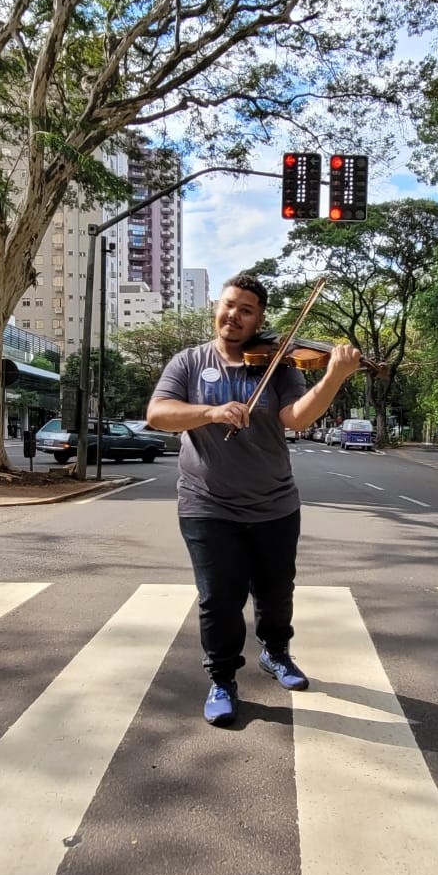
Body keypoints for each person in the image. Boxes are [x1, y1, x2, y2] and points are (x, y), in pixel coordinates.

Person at [146, 273, 361, 727]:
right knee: (219, 598)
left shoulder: (278, 366)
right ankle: (222, 677)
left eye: (247, 309)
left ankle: (276, 652)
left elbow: (297, 418)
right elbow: (158, 414)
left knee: (275, 592)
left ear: (259, 318)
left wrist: (335, 377)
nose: (235, 315)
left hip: (274, 504)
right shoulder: (189, 363)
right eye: (229, 305)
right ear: (215, 308)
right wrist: (209, 411)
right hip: (207, 504)